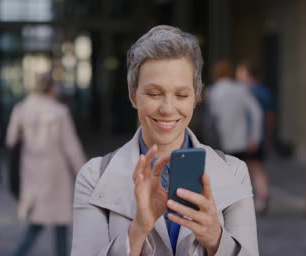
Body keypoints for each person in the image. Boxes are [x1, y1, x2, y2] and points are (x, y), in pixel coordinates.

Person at [71, 25, 259, 256]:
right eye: (154, 94)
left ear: (196, 97)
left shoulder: (235, 171)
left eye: (181, 95)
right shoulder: (93, 177)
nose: (168, 109)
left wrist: (216, 240)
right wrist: (138, 230)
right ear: (133, 96)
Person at [6, 73, 86, 256]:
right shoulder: (59, 111)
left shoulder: (21, 108)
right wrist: (82, 171)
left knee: (36, 220)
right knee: (60, 222)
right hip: (56, 172)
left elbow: (11, 140)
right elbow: (70, 145)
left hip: (31, 170)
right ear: (51, 88)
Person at [236, 61, 275, 214]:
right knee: (258, 167)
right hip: (261, 135)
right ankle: (262, 196)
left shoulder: (244, 92)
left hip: (248, 137)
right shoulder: (265, 91)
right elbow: (271, 117)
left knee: (248, 168)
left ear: (247, 73)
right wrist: (269, 135)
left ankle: (250, 199)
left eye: (240, 72)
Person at [206, 60, 263, 163]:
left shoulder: (212, 92)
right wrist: (255, 137)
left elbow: (213, 116)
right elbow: (257, 112)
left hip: (220, 141)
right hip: (241, 141)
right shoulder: (241, 89)